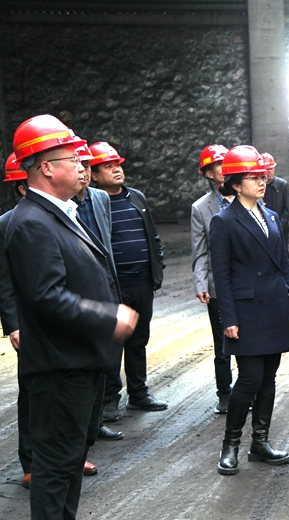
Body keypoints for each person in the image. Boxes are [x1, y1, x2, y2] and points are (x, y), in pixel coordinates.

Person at [6, 114, 138, 520]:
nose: (83, 167)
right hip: (59, 369)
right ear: (46, 168)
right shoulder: (32, 223)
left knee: (70, 462)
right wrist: (108, 317)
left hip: (78, 363)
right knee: (56, 467)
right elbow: (46, 296)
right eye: (73, 160)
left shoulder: (60, 213)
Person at [0, 153, 103, 489]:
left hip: (74, 339)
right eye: (72, 161)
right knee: (37, 402)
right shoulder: (19, 222)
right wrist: (13, 324)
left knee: (70, 422)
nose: (81, 169)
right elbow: (11, 282)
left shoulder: (68, 213)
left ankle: (68, 454)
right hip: (44, 339)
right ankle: (33, 460)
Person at [209, 145, 289, 475]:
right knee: (249, 379)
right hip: (247, 311)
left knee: (269, 378)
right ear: (235, 184)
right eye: (253, 177)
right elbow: (221, 275)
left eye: (263, 176)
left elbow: (282, 265)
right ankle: (230, 445)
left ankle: (260, 442)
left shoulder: (272, 216)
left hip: (275, 307)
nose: (262, 181)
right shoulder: (223, 221)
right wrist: (228, 317)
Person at [89, 141, 167, 420]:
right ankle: (110, 399)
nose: (116, 170)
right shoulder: (92, 203)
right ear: (94, 175)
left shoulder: (137, 198)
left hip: (142, 281)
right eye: (108, 167)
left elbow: (152, 235)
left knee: (138, 339)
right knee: (112, 340)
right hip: (114, 285)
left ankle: (138, 393)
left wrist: (157, 266)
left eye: (118, 165)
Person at [71, 143, 125, 441]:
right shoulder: (64, 205)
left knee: (109, 351)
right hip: (81, 288)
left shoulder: (101, 199)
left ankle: (101, 414)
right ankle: (84, 426)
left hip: (106, 282)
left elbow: (107, 241)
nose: (83, 172)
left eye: (87, 166)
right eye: (79, 165)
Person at [191, 144, 234, 413]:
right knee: (222, 342)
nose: (224, 168)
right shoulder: (200, 208)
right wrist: (201, 283)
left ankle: (249, 390)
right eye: (218, 164)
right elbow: (200, 250)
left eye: (226, 162)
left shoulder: (248, 197)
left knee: (251, 338)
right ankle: (225, 394)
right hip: (218, 284)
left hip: (247, 281)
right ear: (208, 173)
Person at [259, 153, 289, 252]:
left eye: (271, 169)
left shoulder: (283, 185)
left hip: (280, 229)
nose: (269, 172)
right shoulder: (258, 186)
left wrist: (279, 228)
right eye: (267, 169)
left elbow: (287, 209)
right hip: (263, 229)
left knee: (282, 253)